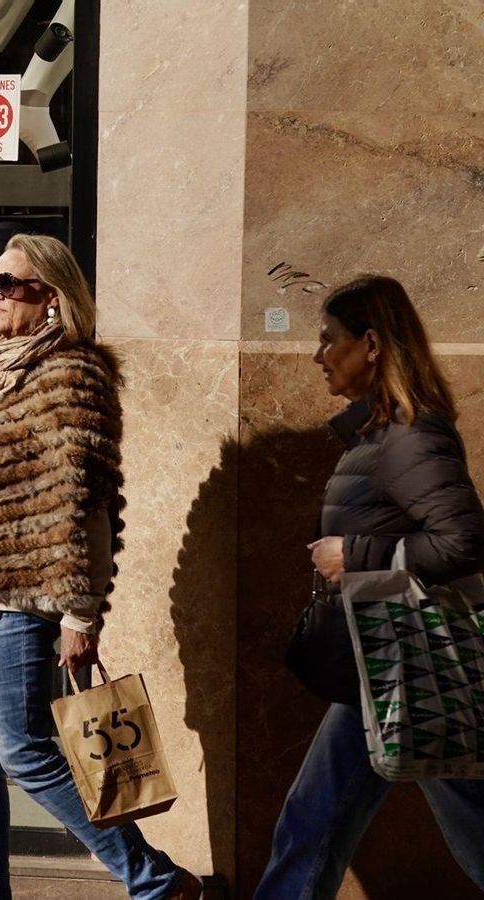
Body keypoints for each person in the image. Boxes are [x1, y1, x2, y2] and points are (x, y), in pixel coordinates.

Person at [0, 233, 200, 899]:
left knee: (27, 754)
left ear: (52, 299)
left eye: (12, 284)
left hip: (24, 600)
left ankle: (156, 881)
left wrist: (79, 615)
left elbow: (81, 506)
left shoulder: (67, 376)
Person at [257, 276, 484, 898]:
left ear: (373, 344)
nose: (317, 355)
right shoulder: (380, 435)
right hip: (380, 665)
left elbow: (463, 542)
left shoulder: (413, 435)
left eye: (329, 339)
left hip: (414, 665)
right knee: (312, 823)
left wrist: (352, 554)